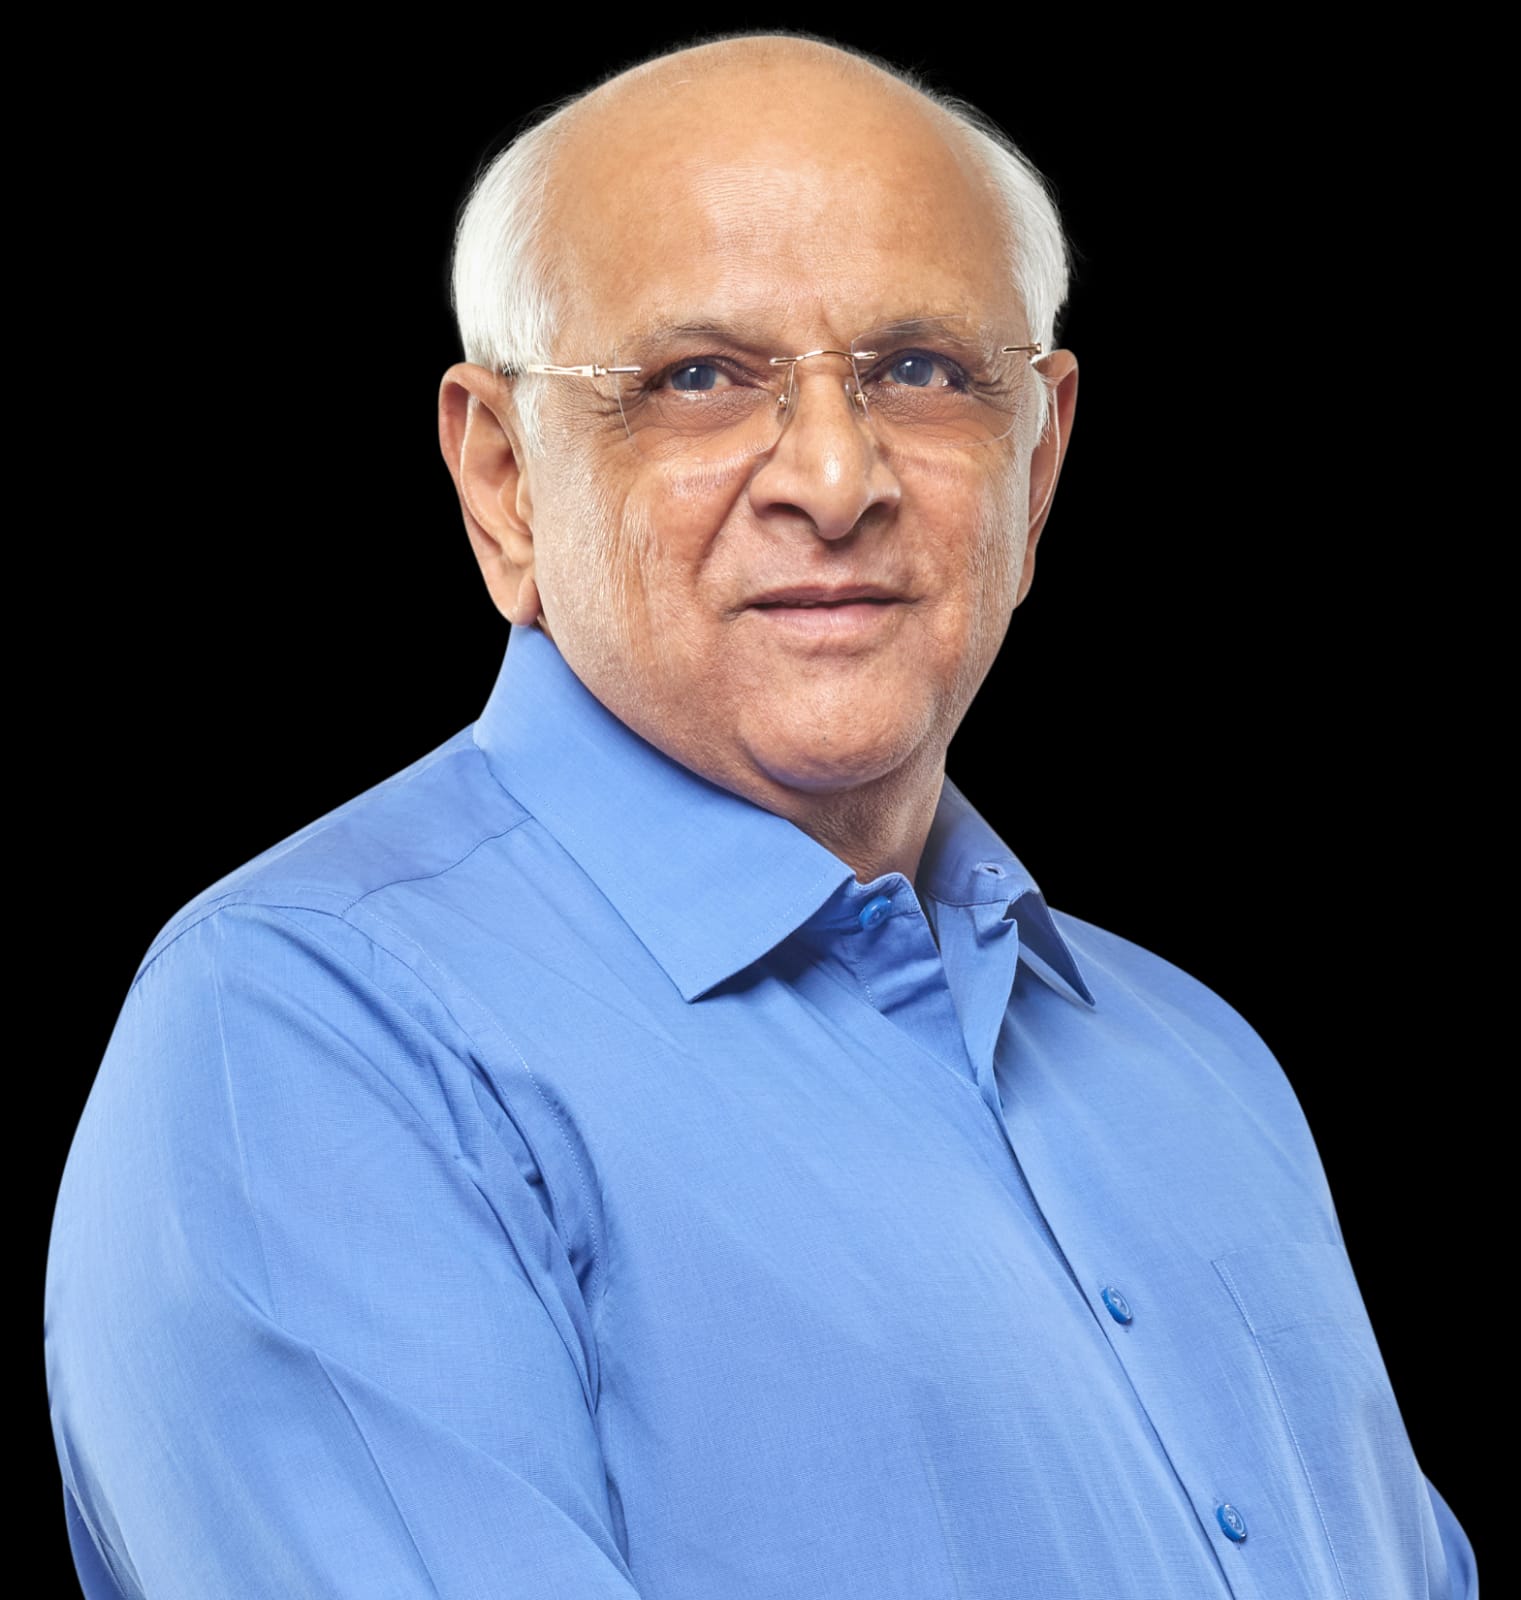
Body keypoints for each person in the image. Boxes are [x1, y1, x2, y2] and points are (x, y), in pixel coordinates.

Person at [45, 32, 1477, 1599]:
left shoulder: (1199, 1067)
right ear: (505, 481)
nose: (835, 477)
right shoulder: (305, 1038)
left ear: (1037, 460)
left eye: (918, 369)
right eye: (698, 379)